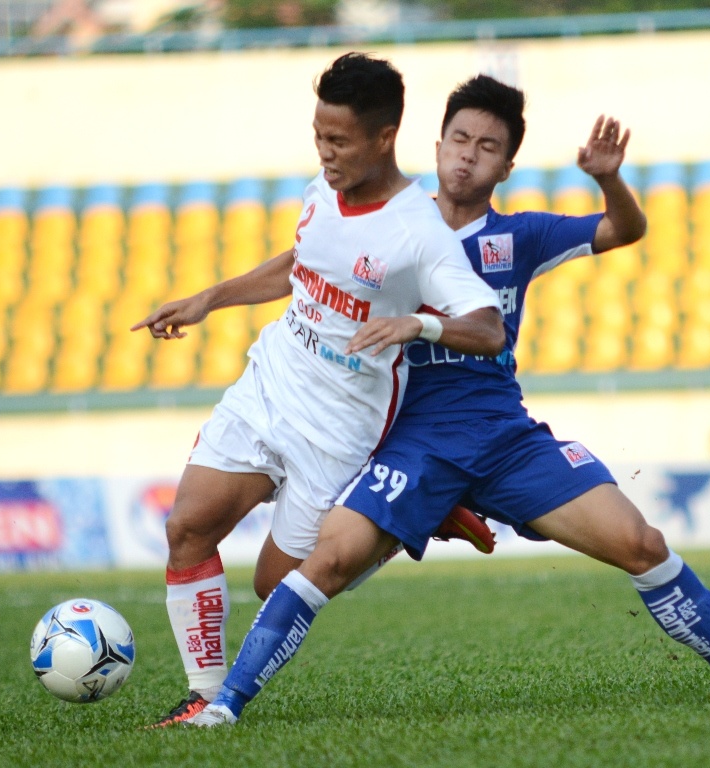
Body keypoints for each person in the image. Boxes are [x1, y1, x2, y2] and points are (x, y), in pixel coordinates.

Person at [188, 75, 710, 727]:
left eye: (487, 146)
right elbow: (300, 264)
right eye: (460, 139)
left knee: (640, 541)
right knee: (308, 569)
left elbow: (623, 229)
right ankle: (223, 707)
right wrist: (212, 298)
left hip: (504, 437)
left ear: (505, 165)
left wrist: (608, 179)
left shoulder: (521, 237)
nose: (468, 154)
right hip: (411, 443)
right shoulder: (389, 224)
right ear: (436, 144)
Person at [131, 53, 506, 727]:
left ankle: (405, 515)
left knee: (275, 586)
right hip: (269, 384)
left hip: (339, 429)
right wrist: (208, 298)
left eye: (338, 141)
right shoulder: (321, 189)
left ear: (383, 137)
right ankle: (205, 696)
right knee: (187, 526)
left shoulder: (417, 232)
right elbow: (303, 264)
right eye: (318, 138)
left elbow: (485, 329)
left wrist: (417, 323)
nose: (325, 154)